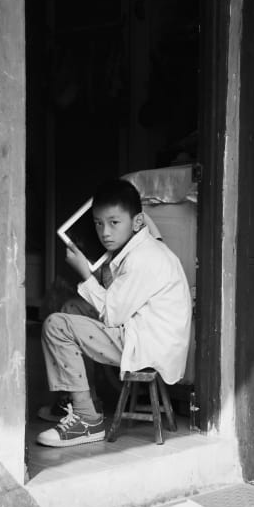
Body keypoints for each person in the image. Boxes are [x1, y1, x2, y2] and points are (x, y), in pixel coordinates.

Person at [37, 179, 191, 447]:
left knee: (56, 325)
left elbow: (112, 315)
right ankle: (83, 401)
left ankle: (87, 420)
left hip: (148, 343)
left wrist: (85, 273)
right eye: (98, 223)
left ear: (137, 222)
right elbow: (115, 304)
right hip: (137, 329)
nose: (104, 232)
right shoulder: (134, 250)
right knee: (72, 307)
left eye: (114, 222)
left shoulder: (146, 257)